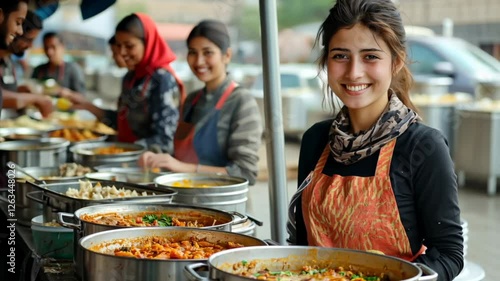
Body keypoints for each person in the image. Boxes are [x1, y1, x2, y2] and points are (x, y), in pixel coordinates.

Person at [287, 0, 464, 280]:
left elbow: (449, 253)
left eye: (370, 56)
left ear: (396, 61)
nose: (354, 72)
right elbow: (300, 244)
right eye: (340, 56)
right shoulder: (316, 140)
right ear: (326, 61)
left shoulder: (423, 146)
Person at [138, 20, 263, 185]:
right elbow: (178, 152)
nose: (198, 61)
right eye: (192, 52)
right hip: (185, 200)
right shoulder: (192, 100)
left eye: (208, 52)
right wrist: (155, 155)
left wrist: (183, 167)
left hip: (223, 205)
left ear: (227, 56)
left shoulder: (241, 101)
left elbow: (245, 172)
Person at [61, 13, 185, 152]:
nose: (122, 52)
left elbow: (164, 140)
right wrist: (88, 106)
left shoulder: (162, 80)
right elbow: (123, 123)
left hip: (149, 165)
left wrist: (122, 151)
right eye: (119, 46)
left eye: (129, 46)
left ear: (147, 42)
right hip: (126, 159)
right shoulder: (131, 77)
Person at [0, 9, 52, 119]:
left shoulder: (8, 60)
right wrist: (33, 98)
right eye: (29, 40)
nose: (30, 46)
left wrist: (21, 90)